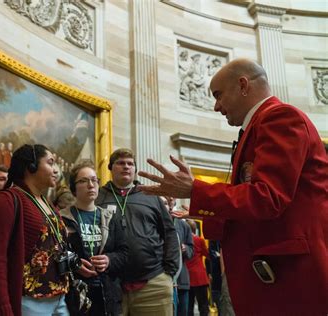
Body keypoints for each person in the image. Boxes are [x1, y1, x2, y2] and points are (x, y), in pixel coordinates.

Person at [138, 58, 328, 314]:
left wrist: (196, 190)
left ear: (243, 85)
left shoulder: (280, 117)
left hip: (290, 280)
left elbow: (267, 198)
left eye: (218, 95)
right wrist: (197, 204)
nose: (216, 107)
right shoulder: (260, 124)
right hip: (275, 278)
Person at [0, 144, 69, 316]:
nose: (55, 170)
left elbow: (51, 246)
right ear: (32, 166)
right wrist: (3, 309)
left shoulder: (47, 203)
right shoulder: (6, 200)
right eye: (50, 163)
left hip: (59, 298)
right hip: (29, 301)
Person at [95, 148, 180, 316]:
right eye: (120, 163)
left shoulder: (150, 195)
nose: (126, 167)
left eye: (130, 164)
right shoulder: (98, 197)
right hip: (111, 287)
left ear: (135, 169)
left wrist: (168, 273)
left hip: (153, 283)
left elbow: (169, 232)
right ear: (111, 168)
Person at [61, 160, 128, 315]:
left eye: (94, 180)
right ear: (73, 188)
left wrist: (109, 260)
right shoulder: (62, 218)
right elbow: (56, 253)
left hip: (107, 293)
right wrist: (75, 264)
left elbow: (124, 253)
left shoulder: (110, 217)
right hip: (75, 293)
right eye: (84, 181)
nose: (91, 185)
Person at [161, 197, 193, 316]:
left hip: (181, 281)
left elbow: (191, 251)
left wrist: (185, 248)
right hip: (160, 278)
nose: (170, 199)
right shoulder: (154, 222)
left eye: (172, 197)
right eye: (166, 197)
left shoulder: (184, 226)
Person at [185, 220, 209, 316]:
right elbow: (208, 255)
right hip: (200, 278)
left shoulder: (183, 241)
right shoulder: (199, 240)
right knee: (203, 305)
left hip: (187, 277)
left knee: (189, 306)